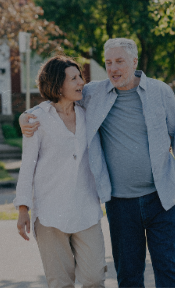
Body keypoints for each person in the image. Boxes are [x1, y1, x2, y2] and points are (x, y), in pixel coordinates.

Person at [20, 38, 175, 288]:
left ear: (134, 62)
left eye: (119, 62)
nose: (113, 68)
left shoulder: (160, 92)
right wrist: (25, 116)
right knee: (128, 274)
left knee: (169, 267)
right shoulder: (94, 93)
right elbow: (55, 102)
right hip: (120, 203)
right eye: (108, 63)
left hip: (162, 198)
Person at [13, 55, 106, 288]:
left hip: (86, 210)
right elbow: (28, 165)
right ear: (57, 84)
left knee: (95, 278)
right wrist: (23, 208)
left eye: (80, 77)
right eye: (73, 78)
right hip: (50, 214)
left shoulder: (87, 114)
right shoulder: (37, 119)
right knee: (60, 283)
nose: (80, 82)